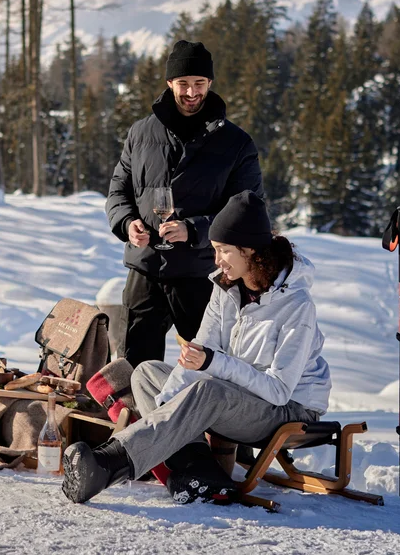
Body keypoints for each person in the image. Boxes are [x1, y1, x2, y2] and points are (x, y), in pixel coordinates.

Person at [64, 191, 331, 505]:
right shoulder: (225, 288)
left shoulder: (296, 305)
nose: (217, 260)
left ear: (250, 250)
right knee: (147, 374)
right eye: (214, 250)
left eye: (224, 251)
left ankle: (107, 465)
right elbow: (199, 354)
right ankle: (197, 471)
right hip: (237, 395)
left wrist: (213, 364)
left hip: (290, 410)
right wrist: (167, 407)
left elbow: (278, 390)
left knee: (208, 390)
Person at [105, 40, 264, 367]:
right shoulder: (140, 133)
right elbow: (119, 189)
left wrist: (194, 230)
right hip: (145, 270)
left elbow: (247, 210)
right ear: (169, 83)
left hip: (202, 272)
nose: (192, 92)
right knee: (134, 368)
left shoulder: (236, 143)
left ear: (210, 83)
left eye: (199, 83)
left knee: (208, 368)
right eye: (183, 83)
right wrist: (127, 222)